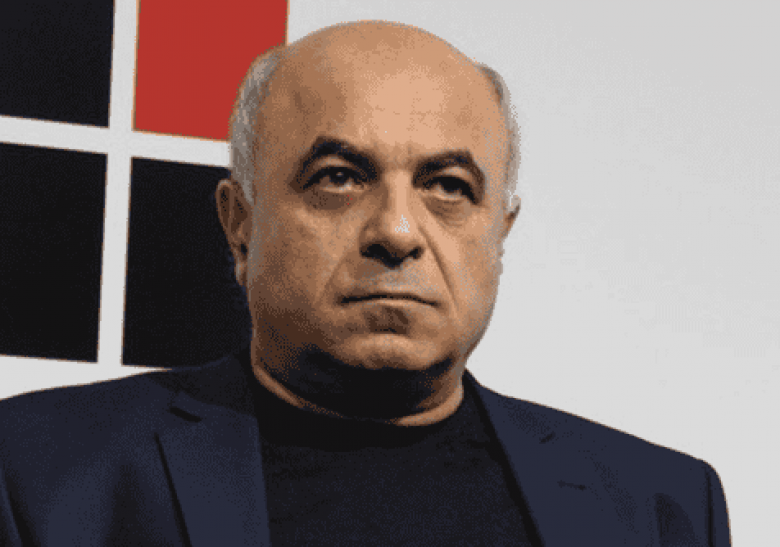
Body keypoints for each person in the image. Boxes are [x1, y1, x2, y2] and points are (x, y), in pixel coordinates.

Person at [0, 20, 730, 546]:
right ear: (240, 222)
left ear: (500, 232)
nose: (399, 231)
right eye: (340, 178)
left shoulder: (661, 508)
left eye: (448, 186)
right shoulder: (37, 472)